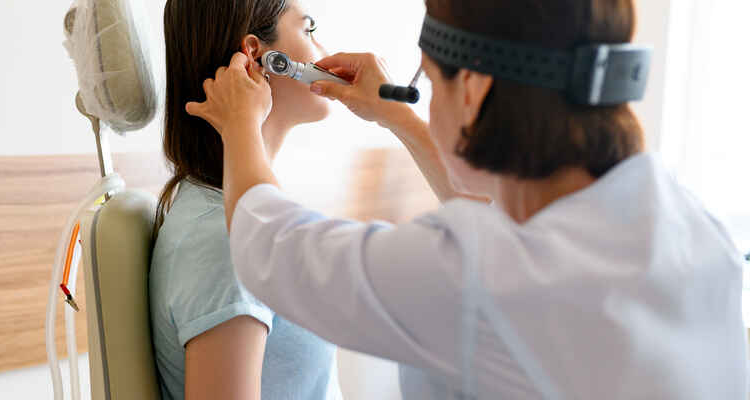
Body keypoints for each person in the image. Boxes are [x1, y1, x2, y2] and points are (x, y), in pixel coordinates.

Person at [183, 0, 749, 398]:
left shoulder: (482, 271)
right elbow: (502, 223)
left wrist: (240, 125)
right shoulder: (692, 227)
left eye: (428, 81)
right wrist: (397, 114)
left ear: (474, 90)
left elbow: (268, 248)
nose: (424, 103)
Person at [149, 1, 342, 399]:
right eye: (309, 29)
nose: (326, 50)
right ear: (257, 56)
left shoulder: (233, 220)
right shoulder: (224, 242)